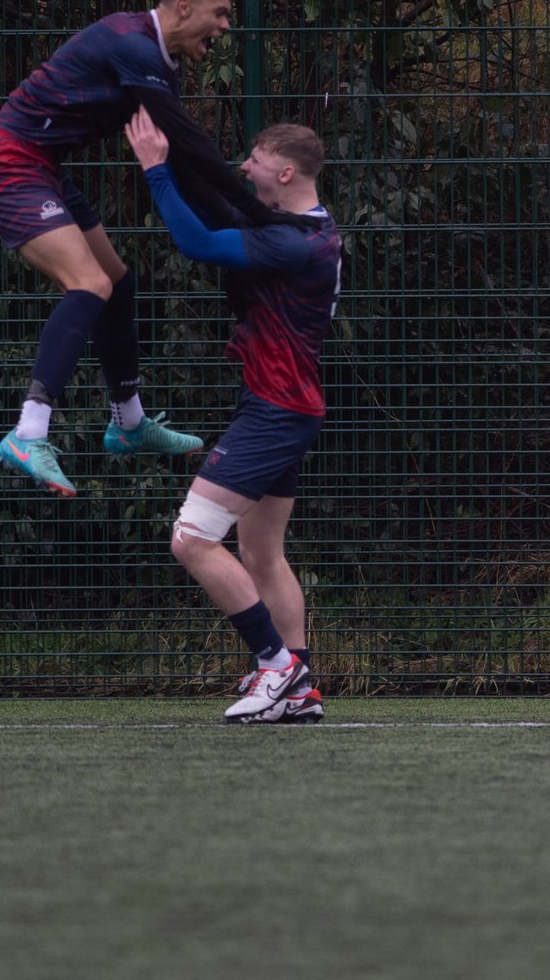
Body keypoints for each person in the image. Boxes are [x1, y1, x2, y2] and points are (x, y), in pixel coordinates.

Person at [0, 0, 310, 496]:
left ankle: (127, 422)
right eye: (219, 14)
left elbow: (182, 166)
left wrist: (256, 228)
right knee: (90, 282)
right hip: (6, 162)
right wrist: (257, 214)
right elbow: (194, 147)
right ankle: (29, 431)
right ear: (180, 7)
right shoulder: (133, 45)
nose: (224, 27)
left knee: (118, 284)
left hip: (42, 168)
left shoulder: (157, 68)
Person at [124, 106, 342, 724]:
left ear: (287, 170)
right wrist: (183, 154)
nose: (245, 166)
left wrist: (156, 170)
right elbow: (227, 209)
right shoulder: (306, 228)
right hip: (286, 406)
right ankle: (299, 688)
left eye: (256, 158)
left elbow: (197, 241)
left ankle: (276, 666)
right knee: (262, 554)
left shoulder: (290, 243)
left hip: (275, 412)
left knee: (191, 538)